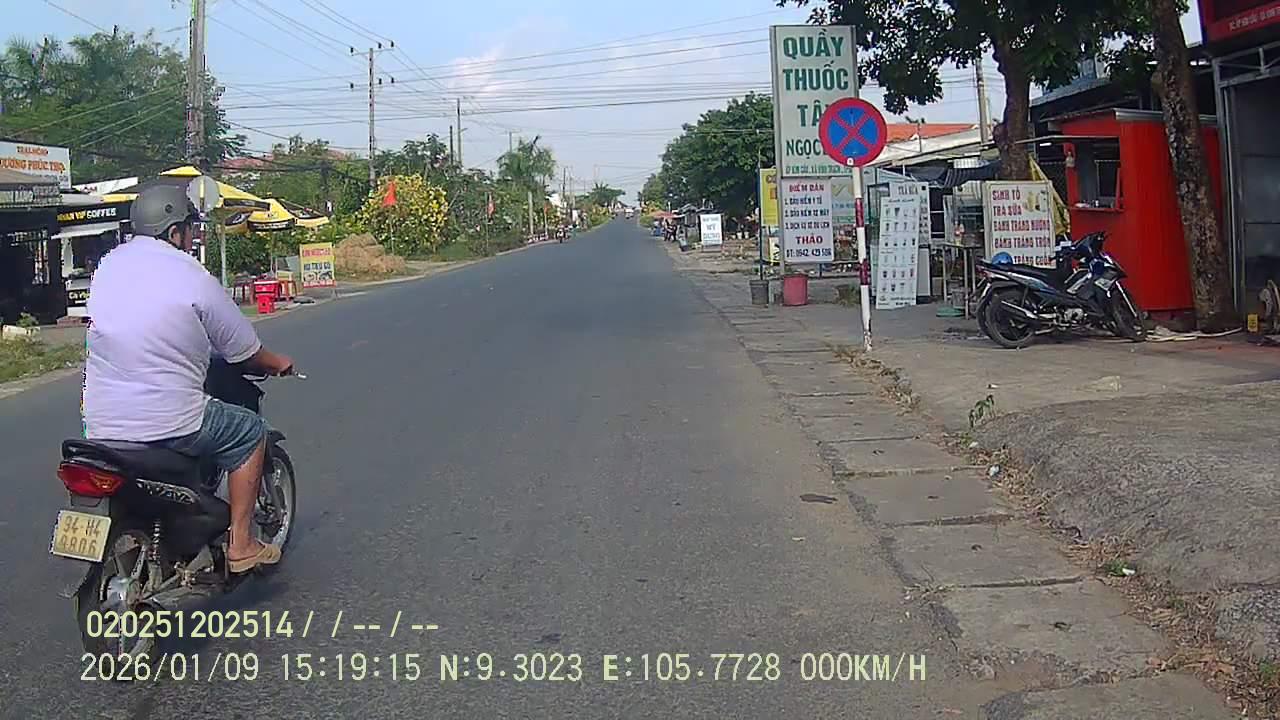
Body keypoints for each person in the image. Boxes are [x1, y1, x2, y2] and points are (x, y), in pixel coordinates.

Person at [83, 184, 294, 573]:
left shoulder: (109, 265)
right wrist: (277, 362)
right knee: (249, 433)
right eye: (189, 229)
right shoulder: (190, 274)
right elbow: (244, 350)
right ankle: (242, 544)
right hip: (167, 418)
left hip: (101, 423)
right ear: (174, 230)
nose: (192, 236)